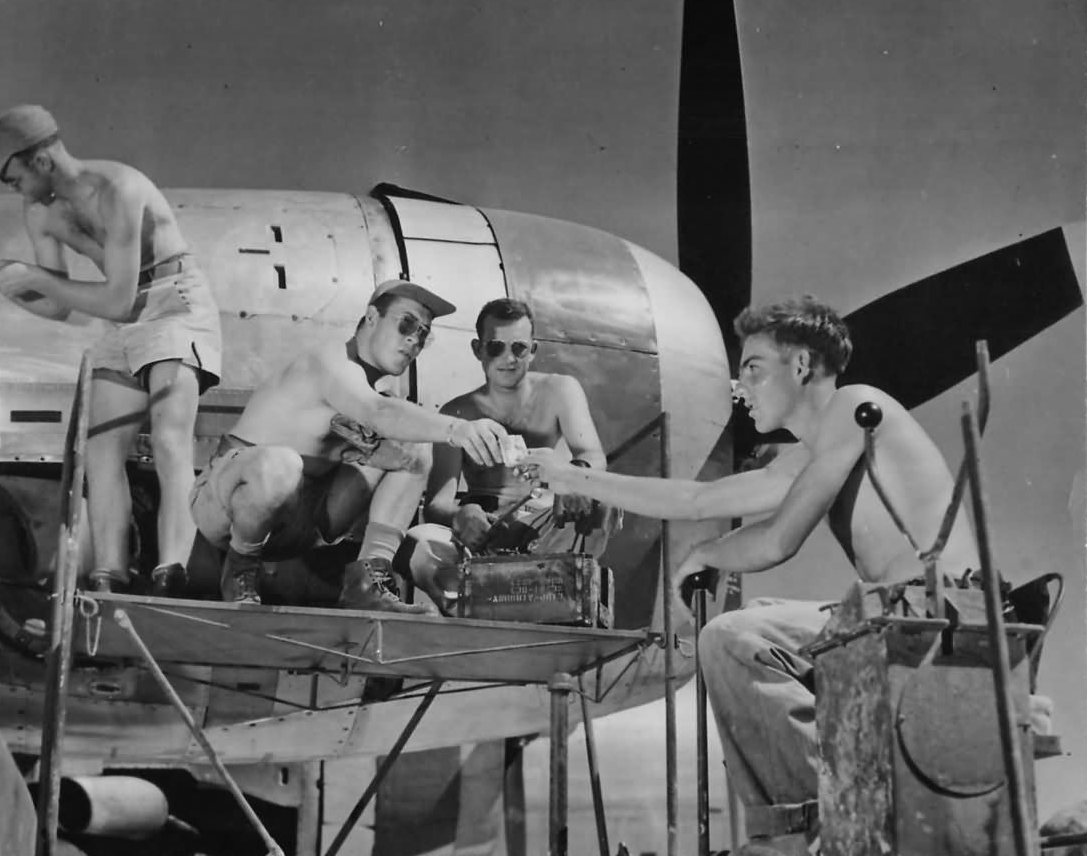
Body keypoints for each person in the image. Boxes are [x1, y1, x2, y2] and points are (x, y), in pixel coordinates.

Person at [520, 295, 978, 826]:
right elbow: (697, 501)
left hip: (940, 609)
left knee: (733, 639)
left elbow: (780, 540)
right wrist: (574, 478)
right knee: (768, 622)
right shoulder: (818, 447)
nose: (740, 388)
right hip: (901, 613)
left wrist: (706, 553)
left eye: (753, 370)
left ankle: (836, 816)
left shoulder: (857, 404)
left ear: (801, 365)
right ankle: (838, 798)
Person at [0, 105, 223, 596]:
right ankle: (110, 574)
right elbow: (56, 305)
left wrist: (29, 275)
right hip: (125, 318)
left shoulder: (119, 189)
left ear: (41, 160)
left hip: (173, 302)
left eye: (14, 180)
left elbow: (114, 298)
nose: (15, 192)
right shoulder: (39, 211)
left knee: (168, 439)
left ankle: (172, 571)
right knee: (99, 450)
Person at [189, 280, 511, 611]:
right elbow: (378, 411)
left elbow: (387, 421)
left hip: (298, 519)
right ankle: (240, 568)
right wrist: (458, 429)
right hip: (226, 507)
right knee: (281, 465)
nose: (414, 339)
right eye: (406, 324)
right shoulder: (328, 364)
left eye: (423, 334)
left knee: (412, 449)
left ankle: (369, 581)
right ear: (371, 317)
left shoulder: (367, 388)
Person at [403, 297, 620, 612]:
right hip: (483, 538)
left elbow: (592, 455)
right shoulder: (458, 412)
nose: (508, 358)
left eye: (518, 348)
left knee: (602, 497)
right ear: (478, 349)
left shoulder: (560, 390)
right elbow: (437, 503)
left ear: (533, 350)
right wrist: (462, 514)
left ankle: (556, 591)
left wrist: (573, 479)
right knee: (418, 543)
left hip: (547, 528)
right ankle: (473, 605)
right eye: (496, 347)